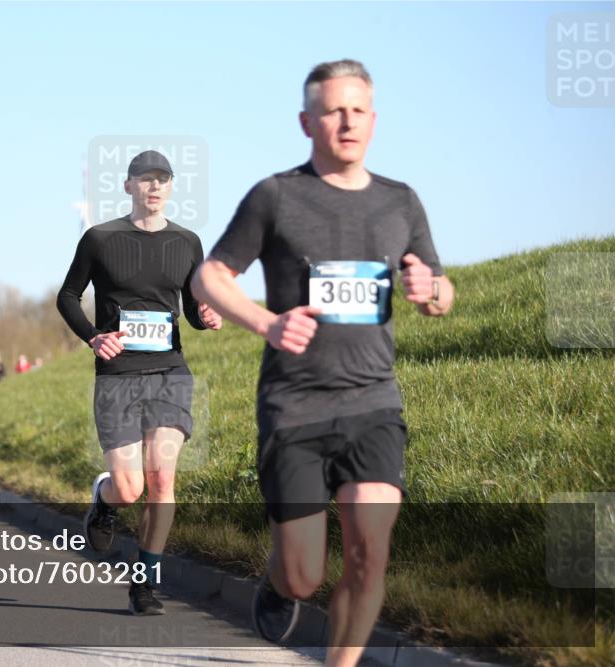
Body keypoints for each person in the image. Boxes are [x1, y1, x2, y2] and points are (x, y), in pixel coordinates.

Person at [191, 60, 455, 667]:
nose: (347, 122)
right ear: (307, 121)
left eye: (358, 110)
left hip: (373, 405)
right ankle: (279, 581)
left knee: (370, 553)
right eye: (333, 111)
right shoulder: (276, 196)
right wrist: (266, 322)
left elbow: (441, 289)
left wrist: (430, 291)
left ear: (374, 119)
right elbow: (210, 275)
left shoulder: (401, 202)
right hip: (295, 408)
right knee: (305, 575)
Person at [57, 150, 222, 616]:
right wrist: (93, 336)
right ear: (128, 186)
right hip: (117, 376)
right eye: (144, 179)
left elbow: (191, 309)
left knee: (161, 477)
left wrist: (205, 315)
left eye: (162, 180)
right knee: (129, 489)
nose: (154, 187)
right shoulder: (100, 238)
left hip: (170, 372)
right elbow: (68, 295)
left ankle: (144, 582)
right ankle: (104, 500)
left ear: (170, 188)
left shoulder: (188, 242)